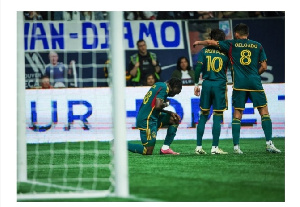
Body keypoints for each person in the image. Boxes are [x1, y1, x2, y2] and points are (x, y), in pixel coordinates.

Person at [193, 23, 281, 154]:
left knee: (235, 114)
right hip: (251, 83)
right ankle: (269, 144)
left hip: (234, 84)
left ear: (236, 34)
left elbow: (210, 46)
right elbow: (263, 66)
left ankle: (235, 147)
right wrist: (254, 76)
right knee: (264, 112)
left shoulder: (230, 45)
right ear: (247, 34)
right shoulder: (257, 45)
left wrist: (199, 42)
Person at [194, 29, 230, 155]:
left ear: (211, 38)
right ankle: (214, 148)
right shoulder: (226, 52)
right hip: (219, 84)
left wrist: (196, 84)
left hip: (207, 84)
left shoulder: (204, 51)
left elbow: (198, 67)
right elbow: (232, 69)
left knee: (203, 115)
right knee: (217, 116)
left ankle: (198, 147)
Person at [128, 77, 182, 155]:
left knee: (174, 119)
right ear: (173, 86)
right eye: (175, 92)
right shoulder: (164, 89)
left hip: (152, 116)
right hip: (147, 120)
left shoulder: (159, 84)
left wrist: (169, 112)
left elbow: (153, 105)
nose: (173, 95)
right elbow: (157, 106)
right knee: (148, 151)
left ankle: (165, 148)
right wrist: (166, 104)